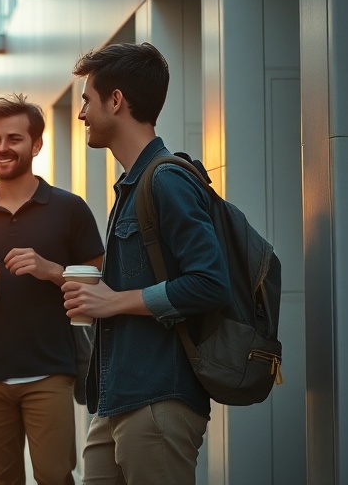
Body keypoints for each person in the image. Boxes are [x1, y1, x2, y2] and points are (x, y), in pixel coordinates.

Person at [64, 42, 230, 485]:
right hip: (115, 398)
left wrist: (115, 302)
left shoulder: (166, 179)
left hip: (159, 399)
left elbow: (211, 282)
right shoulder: (130, 185)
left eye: (86, 100)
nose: (81, 113)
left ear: (115, 101)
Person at [0, 93, 105, 485]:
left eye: (14, 139)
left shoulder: (69, 209)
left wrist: (51, 269)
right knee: (1, 481)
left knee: (55, 476)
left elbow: (100, 284)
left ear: (36, 145)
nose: (2, 148)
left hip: (49, 372)